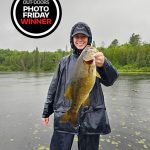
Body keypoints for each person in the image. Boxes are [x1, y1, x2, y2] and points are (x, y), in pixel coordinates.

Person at [42, 22, 119, 150]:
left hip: (90, 116)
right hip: (65, 112)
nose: (80, 40)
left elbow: (110, 80)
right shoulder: (64, 62)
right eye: (76, 37)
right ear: (72, 39)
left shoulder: (96, 61)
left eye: (83, 37)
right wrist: (46, 111)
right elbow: (53, 87)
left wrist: (104, 64)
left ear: (89, 39)